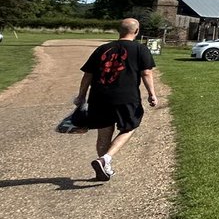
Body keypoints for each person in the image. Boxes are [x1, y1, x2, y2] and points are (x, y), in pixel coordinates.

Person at [56, 18, 158, 182]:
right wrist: (152, 94)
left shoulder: (102, 49)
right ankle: (106, 159)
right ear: (137, 31)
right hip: (127, 97)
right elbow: (146, 73)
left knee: (104, 134)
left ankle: (105, 167)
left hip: (99, 97)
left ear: (119, 30)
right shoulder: (140, 49)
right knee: (129, 127)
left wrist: (81, 96)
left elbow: (87, 75)